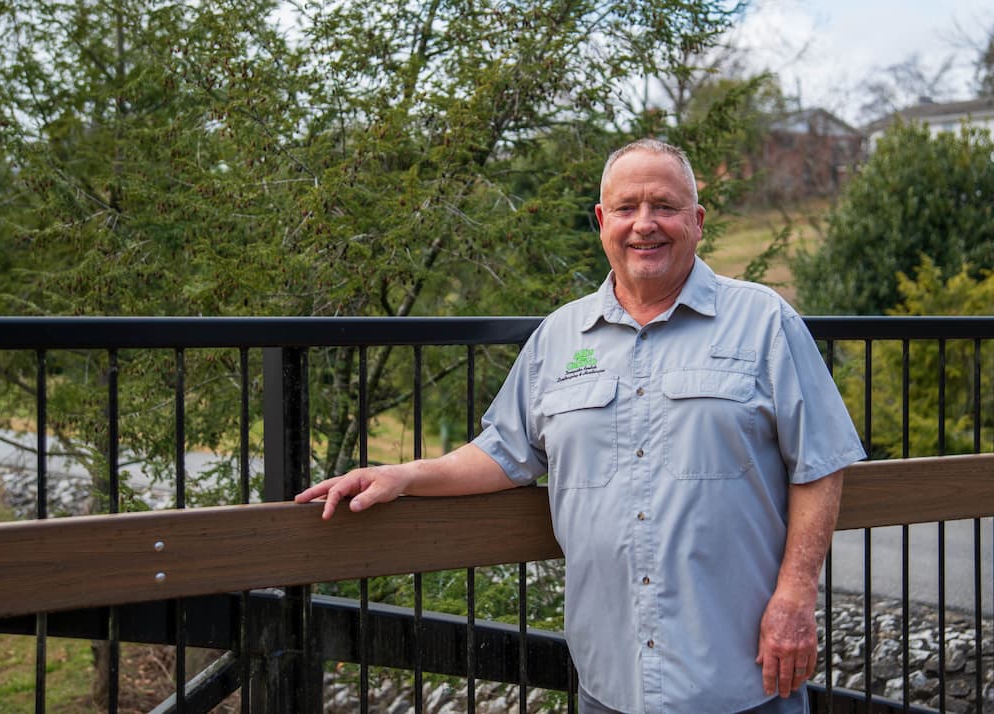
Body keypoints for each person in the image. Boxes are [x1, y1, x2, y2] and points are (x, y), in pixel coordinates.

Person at [295, 139, 866, 713]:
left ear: (697, 221)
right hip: (609, 680)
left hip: (743, 676)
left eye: (664, 206)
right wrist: (404, 476)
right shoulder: (560, 338)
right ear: (602, 221)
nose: (645, 224)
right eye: (626, 207)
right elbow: (503, 450)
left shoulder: (764, 321)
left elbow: (820, 462)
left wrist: (795, 597)